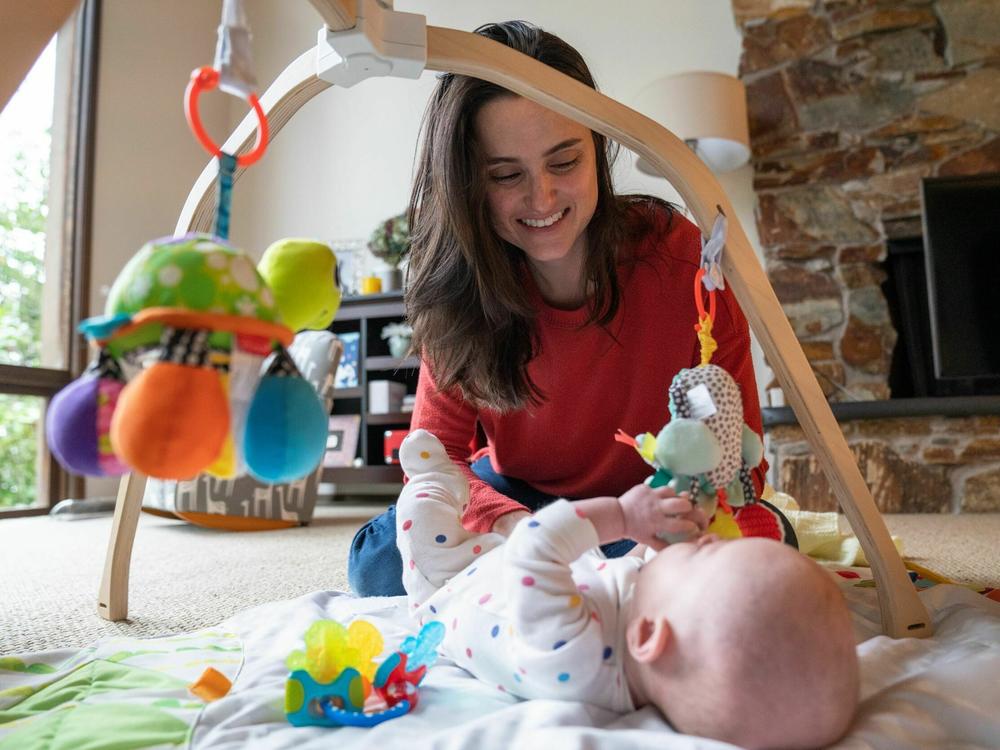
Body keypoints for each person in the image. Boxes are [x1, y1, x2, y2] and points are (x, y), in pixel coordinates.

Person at [348, 20, 769, 597]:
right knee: (376, 561)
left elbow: (737, 449)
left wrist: (671, 516)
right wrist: (528, 532)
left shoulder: (681, 259)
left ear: (597, 150)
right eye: (505, 175)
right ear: (470, 184)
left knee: (753, 556)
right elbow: (437, 457)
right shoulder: (462, 287)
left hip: (650, 503)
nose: (541, 198)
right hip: (521, 500)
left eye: (564, 163)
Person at [396, 429, 859, 749]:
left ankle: (437, 479)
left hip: (454, 583)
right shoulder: (647, 643)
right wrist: (644, 541)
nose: (707, 540)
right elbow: (629, 579)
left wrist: (623, 516)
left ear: (650, 637)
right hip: (560, 574)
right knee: (605, 559)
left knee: (420, 524)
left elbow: (533, 547)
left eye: (703, 554)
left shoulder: (573, 657)